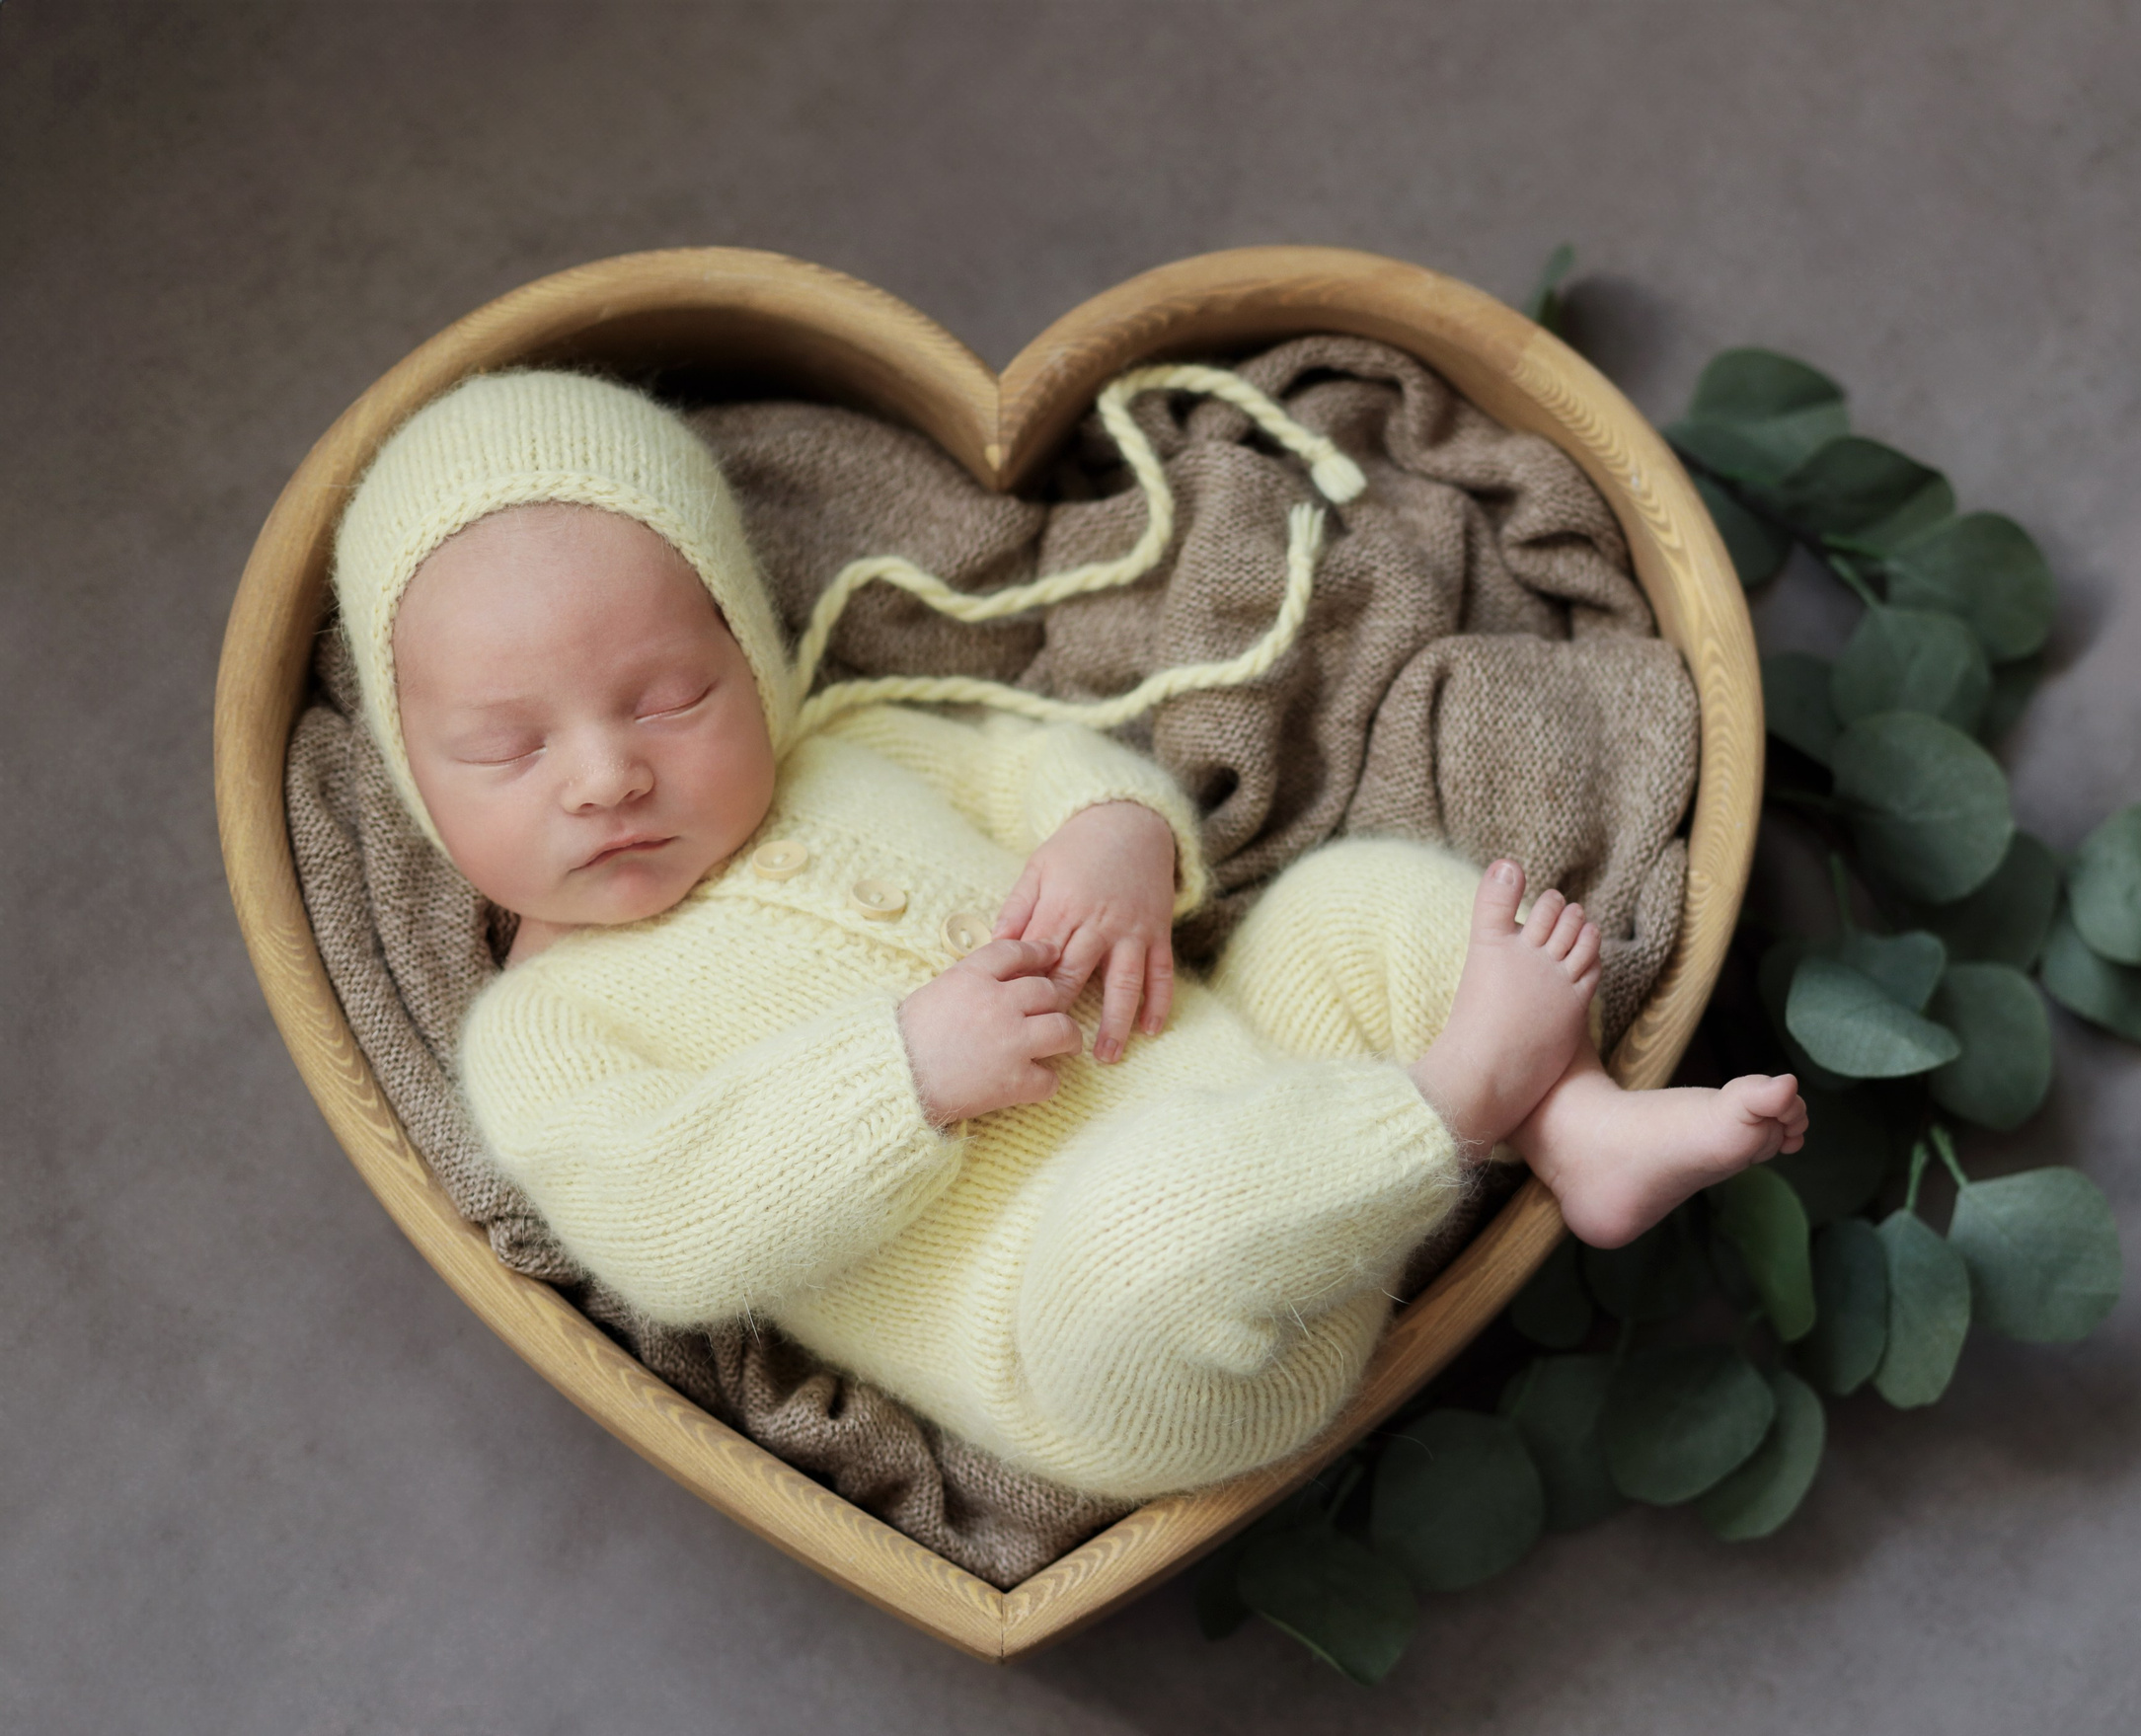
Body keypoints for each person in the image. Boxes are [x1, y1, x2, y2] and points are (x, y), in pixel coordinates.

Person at [333, 367, 1806, 1501]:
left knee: (1358, 908)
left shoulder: (852, 750)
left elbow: (1035, 767)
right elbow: (668, 1221)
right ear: (413, 775)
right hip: (1103, 1345)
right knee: (1136, 1233)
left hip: (1264, 1076)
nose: (606, 774)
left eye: (668, 699)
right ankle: (1462, 1102)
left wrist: (1117, 834)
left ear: (749, 651)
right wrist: (904, 1076)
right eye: (508, 748)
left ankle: (1575, 1128)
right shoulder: (544, 1027)